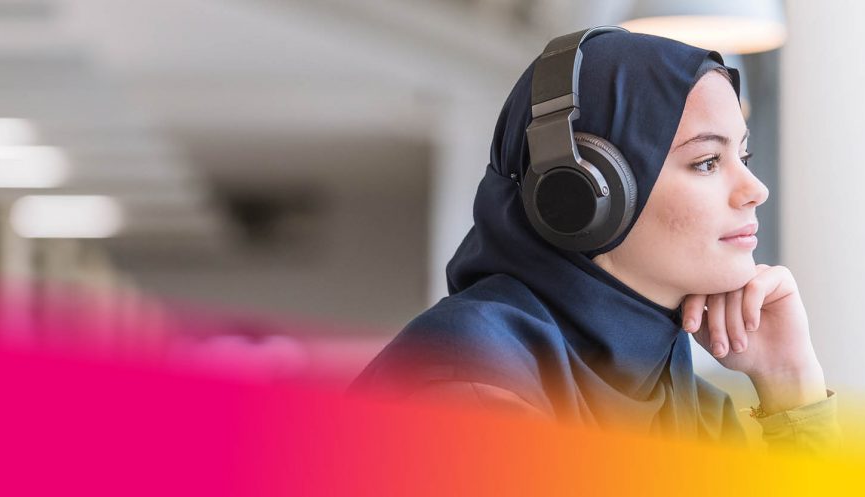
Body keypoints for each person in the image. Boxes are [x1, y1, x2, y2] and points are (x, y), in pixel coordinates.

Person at [349, 27, 839, 452]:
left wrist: (791, 386)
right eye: (707, 162)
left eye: (745, 159)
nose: (756, 190)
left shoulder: (691, 405)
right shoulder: (470, 373)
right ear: (584, 195)